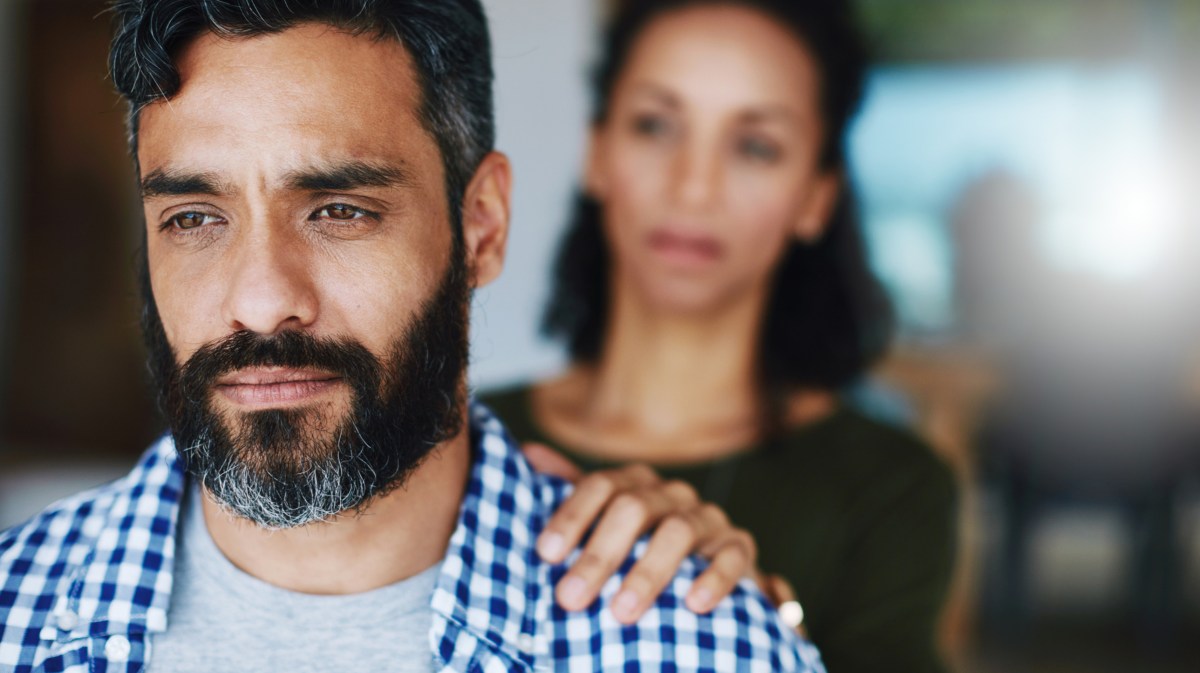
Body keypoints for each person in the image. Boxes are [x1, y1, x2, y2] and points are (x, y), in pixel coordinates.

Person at [0, 1, 825, 671]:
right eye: (193, 217)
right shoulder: (13, 617)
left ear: (482, 225)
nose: (259, 302)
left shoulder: (699, 647)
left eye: (340, 211)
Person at [482, 1, 958, 671]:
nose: (693, 187)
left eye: (755, 145)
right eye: (655, 125)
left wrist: (758, 617)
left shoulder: (892, 487)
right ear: (597, 153)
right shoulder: (462, 438)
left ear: (816, 197)